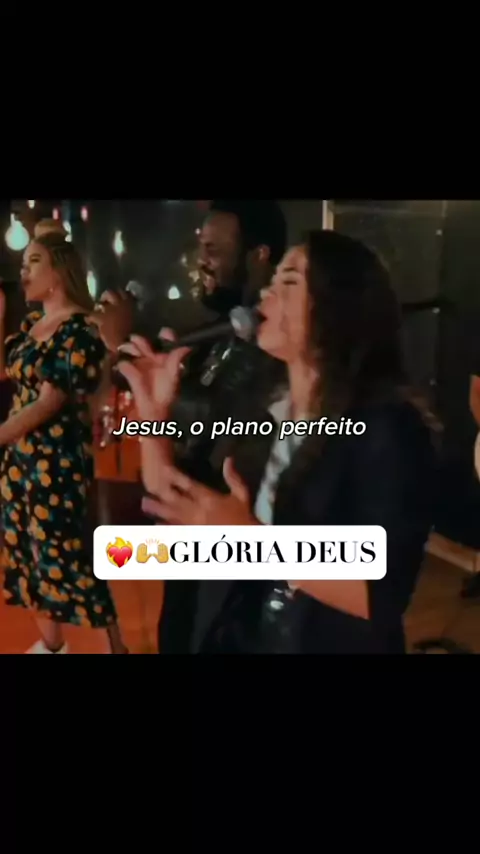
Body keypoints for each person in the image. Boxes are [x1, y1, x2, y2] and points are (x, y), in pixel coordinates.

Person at [120, 230, 436, 654]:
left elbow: (379, 592)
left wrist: (251, 541)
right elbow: (175, 500)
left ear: (339, 305)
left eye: (288, 280)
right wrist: (152, 413)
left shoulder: (388, 427)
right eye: (272, 281)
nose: (266, 292)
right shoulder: (261, 407)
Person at [116, 200, 287, 653]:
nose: (201, 260)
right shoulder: (218, 337)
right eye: (200, 247)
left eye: (214, 248)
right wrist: (153, 411)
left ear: (260, 256)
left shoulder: (280, 359)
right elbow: (168, 475)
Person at [0, 233, 127, 653]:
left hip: (54, 466)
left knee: (65, 560)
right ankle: (52, 646)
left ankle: (115, 647)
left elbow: (49, 402)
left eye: (33, 261)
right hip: (19, 464)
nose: (23, 270)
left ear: (58, 272)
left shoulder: (80, 330)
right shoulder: (30, 328)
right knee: (29, 560)